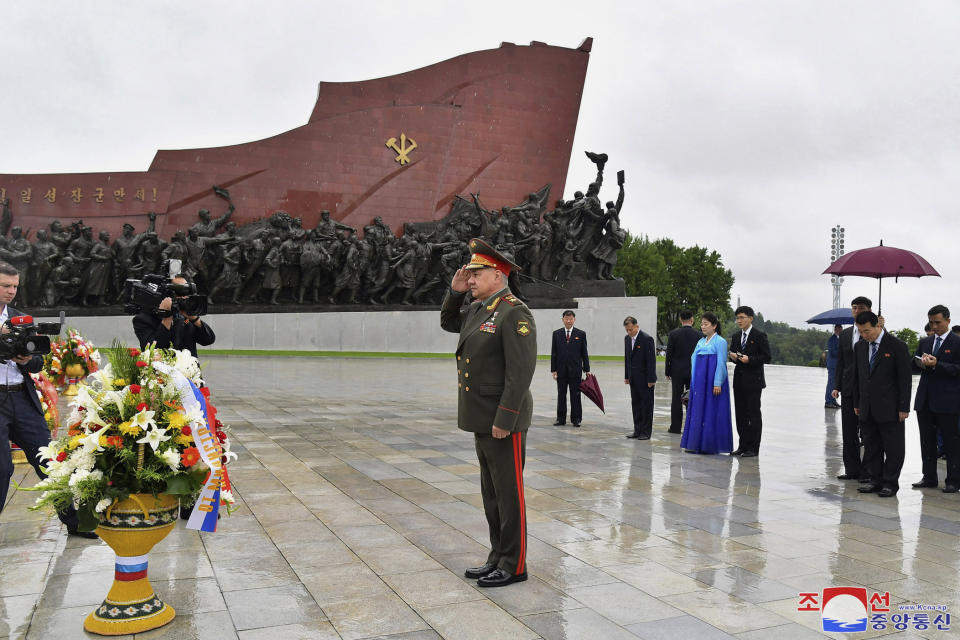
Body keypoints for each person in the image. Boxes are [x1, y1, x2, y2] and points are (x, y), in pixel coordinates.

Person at [440, 238, 536, 588]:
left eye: (477, 273)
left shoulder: (514, 312)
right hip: (482, 417)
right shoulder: (481, 309)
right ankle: (497, 555)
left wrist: (504, 419)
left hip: (501, 420)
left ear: (498, 275)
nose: (471, 279)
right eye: (470, 273)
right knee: (492, 494)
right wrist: (454, 291)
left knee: (509, 496)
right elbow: (449, 321)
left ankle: (515, 564)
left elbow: (520, 372)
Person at [0, 261, 94, 537]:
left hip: (21, 399)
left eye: (14, 286)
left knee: (49, 461)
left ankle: (74, 523)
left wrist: (27, 359)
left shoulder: (21, 318)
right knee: (2, 469)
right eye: (5, 285)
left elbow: (38, 361)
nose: (11, 291)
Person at [853, 311, 911, 497]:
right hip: (867, 407)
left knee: (893, 448)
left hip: (890, 407)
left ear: (878, 325)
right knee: (871, 446)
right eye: (860, 332)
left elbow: (905, 379)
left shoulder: (897, 346)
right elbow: (857, 377)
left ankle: (890, 483)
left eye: (867, 331)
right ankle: (875, 480)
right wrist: (857, 402)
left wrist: (904, 407)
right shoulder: (860, 346)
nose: (864, 335)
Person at [911, 305, 960, 492]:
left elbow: (957, 369)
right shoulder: (925, 342)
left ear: (948, 320)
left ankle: (954, 480)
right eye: (931, 322)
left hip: (948, 402)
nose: (934, 326)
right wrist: (919, 363)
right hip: (925, 399)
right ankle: (929, 477)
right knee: (927, 441)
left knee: (951, 442)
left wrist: (938, 364)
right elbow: (914, 367)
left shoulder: (956, 343)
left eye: (938, 322)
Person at [832, 296, 873, 481]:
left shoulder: (875, 332)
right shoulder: (846, 334)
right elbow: (841, 362)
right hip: (848, 388)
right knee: (848, 432)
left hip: (867, 390)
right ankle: (852, 469)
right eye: (854, 308)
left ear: (870, 310)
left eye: (861, 307)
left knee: (868, 433)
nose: (857, 310)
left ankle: (868, 471)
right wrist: (836, 386)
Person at [681, 312, 733, 454]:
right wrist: (694, 381)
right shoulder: (700, 341)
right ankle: (695, 443)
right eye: (702, 324)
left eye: (706, 324)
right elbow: (694, 360)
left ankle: (708, 445)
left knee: (710, 411)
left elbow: (721, 363)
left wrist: (717, 382)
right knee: (697, 411)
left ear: (714, 326)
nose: (703, 326)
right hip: (699, 383)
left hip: (712, 383)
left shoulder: (720, 342)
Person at [133, 276, 215, 357]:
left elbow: (208, 340)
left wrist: (194, 319)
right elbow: (152, 350)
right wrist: (166, 320)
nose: (184, 297)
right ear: (166, 294)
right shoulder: (143, 319)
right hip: (162, 369)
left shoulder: (186, 317)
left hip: (189, 368)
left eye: (187, 293)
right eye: (180, 292)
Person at [729, 306, 771, 457]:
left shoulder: (759, 335)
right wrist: (733, 357)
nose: (739, 321)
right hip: (739, 380)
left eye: (742, 317)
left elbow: (767, 357)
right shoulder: (735, 336)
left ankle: (754, 447)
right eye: (737, 318)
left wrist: (750, 359)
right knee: (740, 414)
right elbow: (733, 354)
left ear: (750, 318)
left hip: (754, 381)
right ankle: (742, 445)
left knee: (753, 414)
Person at [550, 310, 590, 427]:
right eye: (566, 319)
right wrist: (554, 370)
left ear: (574, 320)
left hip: (576, 371)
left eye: (571, 319)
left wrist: (587, 369)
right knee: (561, 395)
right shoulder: (556, 334)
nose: (568, 321)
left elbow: (584, 353)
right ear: (562, 319)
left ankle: (576, 419)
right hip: (561, 370)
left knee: (575, 395)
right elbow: (554, 353)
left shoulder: (581, 334)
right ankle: (560, 418)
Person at [665, 310, 700, 434]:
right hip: (693, 371)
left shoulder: (674, 334)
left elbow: (669, 353)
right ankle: (691, 426)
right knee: (692, 399)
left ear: (680, 320)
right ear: (692, 320)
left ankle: (675, 427)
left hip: (677, 371)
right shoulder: (699, 335)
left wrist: (667, 371)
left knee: (676, 399)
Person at [623, 316, 656, 440]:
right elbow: (627, 359)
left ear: (637, 326)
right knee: (636, 404)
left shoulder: (647, 339)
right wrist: (627, 376)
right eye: (627, 330)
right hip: (633, 379)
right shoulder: (627, 339)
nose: (629, 332)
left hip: (646, 379)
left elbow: (651, 361)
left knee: (646, 405)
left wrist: (651, 379)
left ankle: (646, 432)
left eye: (631, 329)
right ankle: (637, 430)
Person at [824, 324, 842, 408]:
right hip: (832, 364)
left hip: (838, 365)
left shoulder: (840, 339)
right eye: (838, 330)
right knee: (831, 383)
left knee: (836, 384)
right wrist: (842, 352)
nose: (840, 331)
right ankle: (828, 401)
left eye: (841, 330)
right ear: (835, 330)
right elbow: (832, 352)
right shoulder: (832, 339)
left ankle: (833, 400)